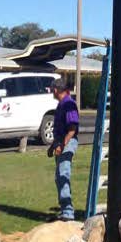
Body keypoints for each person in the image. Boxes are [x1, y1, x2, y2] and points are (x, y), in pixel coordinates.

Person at [48, 78, 80, 220]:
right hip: (61, 142)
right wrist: (53, 145)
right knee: (58, 177)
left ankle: (68, 212)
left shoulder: (68, 104)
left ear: (55, 90)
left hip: (68, 142)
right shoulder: (61, 104)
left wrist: (62, 145)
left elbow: (72, 129)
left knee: (63, 174)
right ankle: (64, 209)